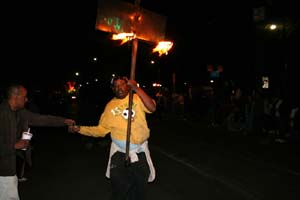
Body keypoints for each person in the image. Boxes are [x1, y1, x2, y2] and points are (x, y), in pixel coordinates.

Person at [69, 76, 156, 200]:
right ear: (113, 89)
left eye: (121, 84)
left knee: (139, 191)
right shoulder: (110, 106)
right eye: (115, 86)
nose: (118, 88)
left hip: (139, 154)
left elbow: (152, 107)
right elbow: (101, 130)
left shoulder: (137, 98)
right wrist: (80, 129)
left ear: (127, 86)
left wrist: (136, 88)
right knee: (118, 191)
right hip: (119, 154)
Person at [0, 83, 76, 200]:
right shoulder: (2, 113)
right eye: (24, 96)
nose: (27, 99)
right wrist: (14, 145)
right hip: (3, 171)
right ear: (15, 96)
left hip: (9, 167)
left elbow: (41, 119)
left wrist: (63, 121)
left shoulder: (19, 112)